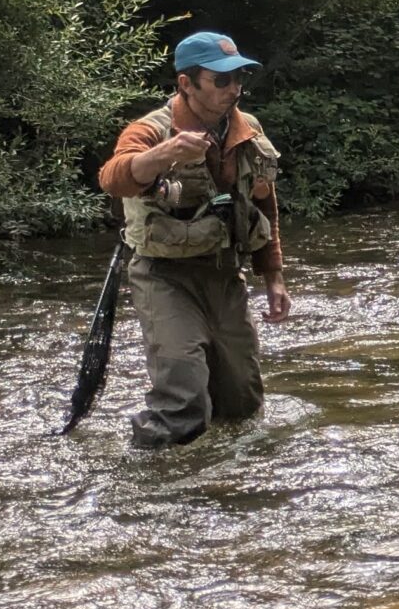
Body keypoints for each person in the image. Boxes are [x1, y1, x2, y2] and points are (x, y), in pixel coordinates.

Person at [98, 31, 293, 449]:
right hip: (163, 277)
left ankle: (227, 479)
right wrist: (164, 154)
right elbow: (112, 177)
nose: (234, 88)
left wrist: (273, 275)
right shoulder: (150, 129)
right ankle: (154, 486)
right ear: (187, 83)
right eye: (221, 80)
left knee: (243, 402)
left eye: (239, 77)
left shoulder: (248, 129)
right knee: (183, 400)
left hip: (225, 275)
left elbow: (262, 205)